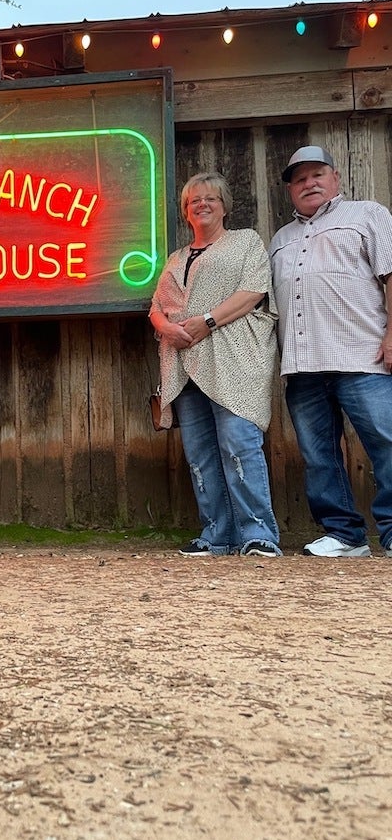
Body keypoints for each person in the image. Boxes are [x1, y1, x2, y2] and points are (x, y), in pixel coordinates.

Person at [149, 171, 281, 557]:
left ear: (224, 206)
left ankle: (259, 534)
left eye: (211, 198)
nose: (202, 204)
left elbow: (254, 291)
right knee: (201, 454)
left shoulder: (245, 243)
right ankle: (217, 535)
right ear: (185, 211)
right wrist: (165, 328)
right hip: (185, 366)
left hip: (232, 362)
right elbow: (158, 306)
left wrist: (206, 321)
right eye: (194, 201)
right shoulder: (176, 258)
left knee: (239, 445)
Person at [269, 145, 392, 557]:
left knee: (386, 443)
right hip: (303, 366)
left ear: (335, 178)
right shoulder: (281, 239)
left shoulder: (367, 215)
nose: (309, 183)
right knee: (320, 455)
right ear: (290, 190)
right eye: (299, 179)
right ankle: (344, 534)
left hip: (363, 356)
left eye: (317, 174)